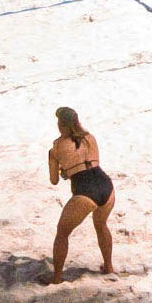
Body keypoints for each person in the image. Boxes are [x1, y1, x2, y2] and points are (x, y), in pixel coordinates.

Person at [46, 106, 117, 281]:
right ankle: (108, 267)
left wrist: (59, 165)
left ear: (60, 125)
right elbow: (88, 162)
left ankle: (56, 278)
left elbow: (54, 180)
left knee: (62, 233)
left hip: (85, 191)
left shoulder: (56, 147)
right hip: (106, 186)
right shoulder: (90, 138)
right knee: (101, 225)